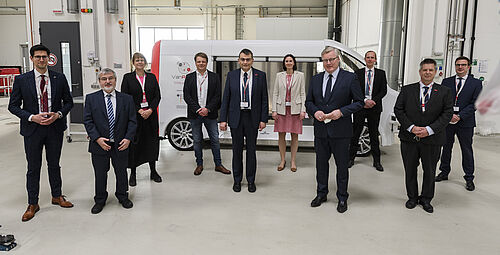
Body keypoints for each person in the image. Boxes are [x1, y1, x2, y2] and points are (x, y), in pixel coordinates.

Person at [8, 44, 74, 222]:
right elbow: (13, 106)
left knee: (54, 164)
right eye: (37, 57)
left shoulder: (59, 78)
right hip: (32, 130)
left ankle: (57, 196)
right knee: (33, 167)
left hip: (54, 128)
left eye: (44, 56)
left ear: (49, 58)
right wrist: (31, 117)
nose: (41, 60)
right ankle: (32, 203)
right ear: (32, 59)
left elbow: (68, 102)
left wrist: (58, 114)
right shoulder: (22, 80)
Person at [305, 46, 364, 213]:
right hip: (321, 131)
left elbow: (359, 102)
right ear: (322, 61)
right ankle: (321, 193)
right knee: (321, 165)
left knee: (342, 166)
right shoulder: (316, 79)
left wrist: (342, 112)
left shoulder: (350, 78)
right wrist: (315, 111)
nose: (329, 63)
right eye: (325, 60)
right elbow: (309, 101)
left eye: (332, 59)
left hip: (341, 131)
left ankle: (342, 197)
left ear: (338, 60)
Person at [394, 58, 453, 213]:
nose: (427, 72)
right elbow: (398, 110)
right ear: (420, 72)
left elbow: (447, 114)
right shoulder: (407, 90)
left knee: (430, 170)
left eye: (430, 70)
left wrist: (429, 129)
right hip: (409, 139)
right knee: (410, 169)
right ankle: (412, 197)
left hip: (433, 139)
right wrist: (411, 127)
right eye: (424, 70)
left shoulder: (444, 92)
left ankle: (426, 199)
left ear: (435, 72)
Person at [83, 68, 137, 214]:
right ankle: (100, 200)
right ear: (99, 81)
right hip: (99, 145)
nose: (108, 81)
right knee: (100, 174)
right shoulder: (91, 98)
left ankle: (122, 196)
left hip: (121, 144)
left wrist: (128, 139)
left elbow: (132, 121)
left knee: (121, 172)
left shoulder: (127, 99)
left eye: (110, 78)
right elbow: (88, 121)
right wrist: (97, 138)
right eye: (104, 79)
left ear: (115, 80)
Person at [219, 48, 268, 193]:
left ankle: (251, 181)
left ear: (252, 60)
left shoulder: (261, 75)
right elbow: (226, 98)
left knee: (251, 151)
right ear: (238, 60)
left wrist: (263, 119)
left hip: (252, 118)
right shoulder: (232, 75)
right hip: (236, 118)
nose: (245, 62)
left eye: (248, 59)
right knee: (237, 151)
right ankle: (237, 180)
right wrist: (223, 119)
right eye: (242, 59)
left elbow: (264, 99)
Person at [436, 56, 483, 191]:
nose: (460, 67)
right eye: (458, 65)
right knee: (446, 147)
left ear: (468, 67)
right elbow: (442, 101)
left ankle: (469, 177)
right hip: (448, 121)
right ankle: (444, 172)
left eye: (463, 65)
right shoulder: (446, 81)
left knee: (466, 149)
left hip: (466, 122)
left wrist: (460, 116)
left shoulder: (475, 83)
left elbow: (476, 103)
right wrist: (450, 115)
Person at [183, 52, 231, 176]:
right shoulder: (189, 77)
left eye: (203, 61)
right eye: (199, 61)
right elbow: (187, 96)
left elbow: (217, 96)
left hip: (210, 114)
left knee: (215, 139)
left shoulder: (214, 77)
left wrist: (207, 109)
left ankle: (218, 165)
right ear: (195, 63)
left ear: (207, 62)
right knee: (197, 140)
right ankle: (199, 164)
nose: (201, 63)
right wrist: (198, 109)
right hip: (195, 115)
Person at [120, 52, 162, 186]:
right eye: (137, 60)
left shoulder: (151, 77)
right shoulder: (128, 78)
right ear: (133, 62)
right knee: (135, 144)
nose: (140, 62)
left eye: (142, 60)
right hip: (135, 116)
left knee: (152, 143)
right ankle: (133, 173)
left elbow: (157, 96)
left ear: (145, 62)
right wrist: (139, 110)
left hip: (150, 116)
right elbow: (126, 97)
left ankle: (153, 171)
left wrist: (150, 110)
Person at [349, 51, 387, 171]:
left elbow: (383, 91)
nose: (370, 59)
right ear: (365, 59)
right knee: (356, 133)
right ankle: (351, 159)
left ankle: (377, 161)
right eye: (368, 57)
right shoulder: (357, 73)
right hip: (360, 106)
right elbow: (354, 90)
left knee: (374, 134)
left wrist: (373, 101)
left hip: (374, 108)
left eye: (372, 57)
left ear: (375, 60)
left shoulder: (381, 74)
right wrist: (364, 100)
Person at [272, 54, 306, 172]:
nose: (288, 63)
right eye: (286, 61)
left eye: (290, 61)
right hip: (281, 110)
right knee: (281, 135)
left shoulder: (300, 75)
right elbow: (275, 93)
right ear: (284, 63)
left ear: (294, 62)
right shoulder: (279, 76)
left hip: (295, 110)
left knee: (294, 136)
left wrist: (303, 110)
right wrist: (274, 110)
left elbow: (302, 93)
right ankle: (282, 160)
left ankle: (292, 161)